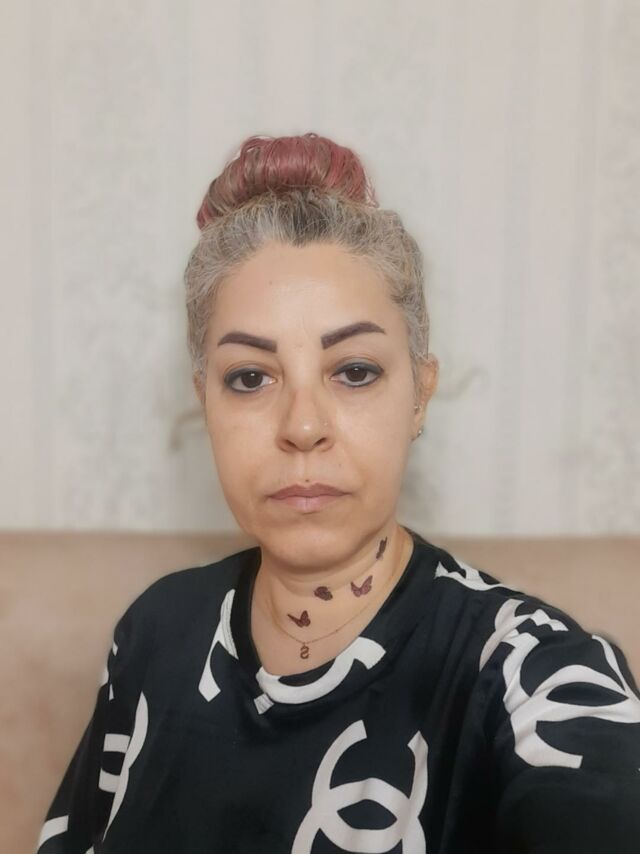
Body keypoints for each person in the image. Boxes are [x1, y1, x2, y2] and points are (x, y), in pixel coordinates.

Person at [36, 133, 640, 853]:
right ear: (206, 400)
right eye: (250, 378)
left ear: (420, 394)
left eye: (354, 371)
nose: (302, 426)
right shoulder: (154, 633)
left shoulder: (531, 672)